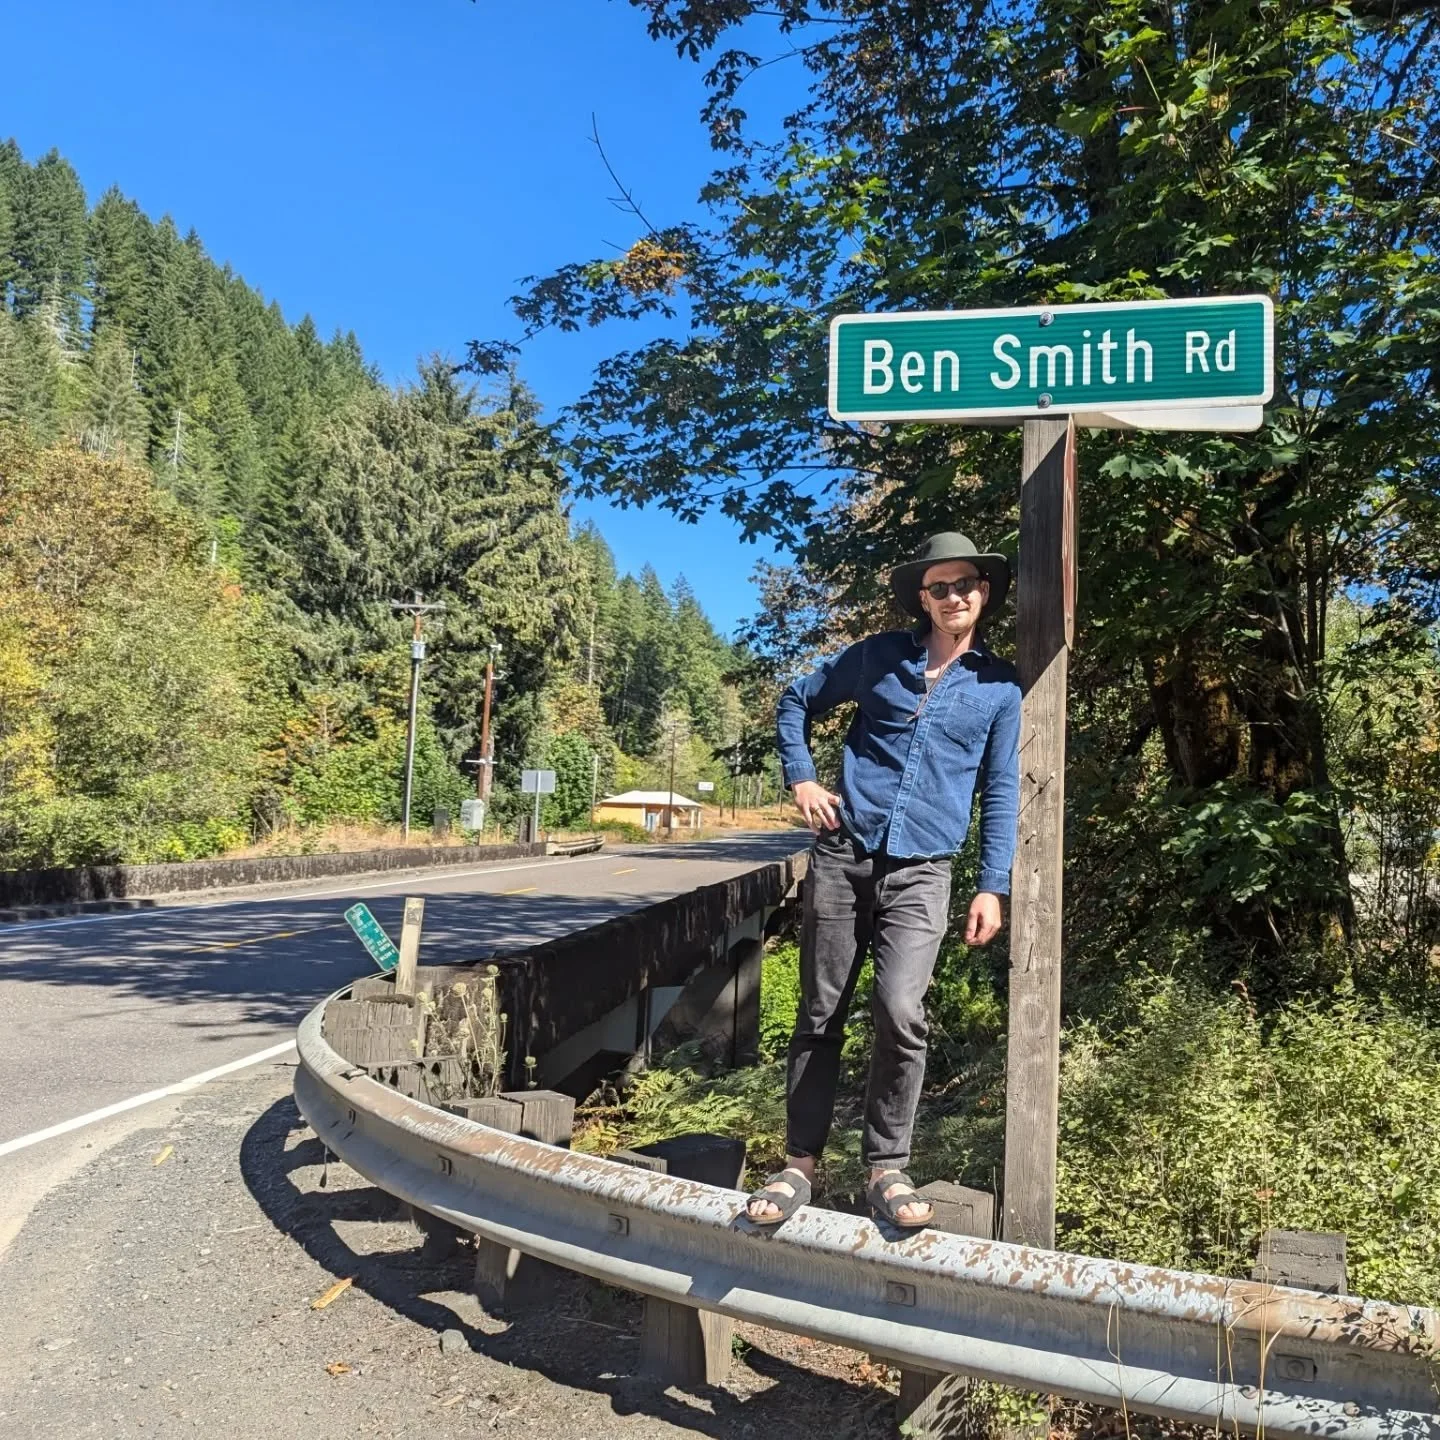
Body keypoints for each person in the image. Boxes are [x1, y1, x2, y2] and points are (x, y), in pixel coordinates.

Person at [747, 532, 1021, 1229]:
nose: (954, 596)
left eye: (966, 584)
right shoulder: (876, 659)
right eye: (940, 587)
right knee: (821, 1010)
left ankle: (885, 1167)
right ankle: (799, 1165)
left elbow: (999, 787)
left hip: (925, 869)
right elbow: (793, 702)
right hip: (844, 856)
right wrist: (802, 777)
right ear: (922, 599)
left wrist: (993, 884)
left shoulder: (998, 687)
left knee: (902, 1009)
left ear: (982, 594)